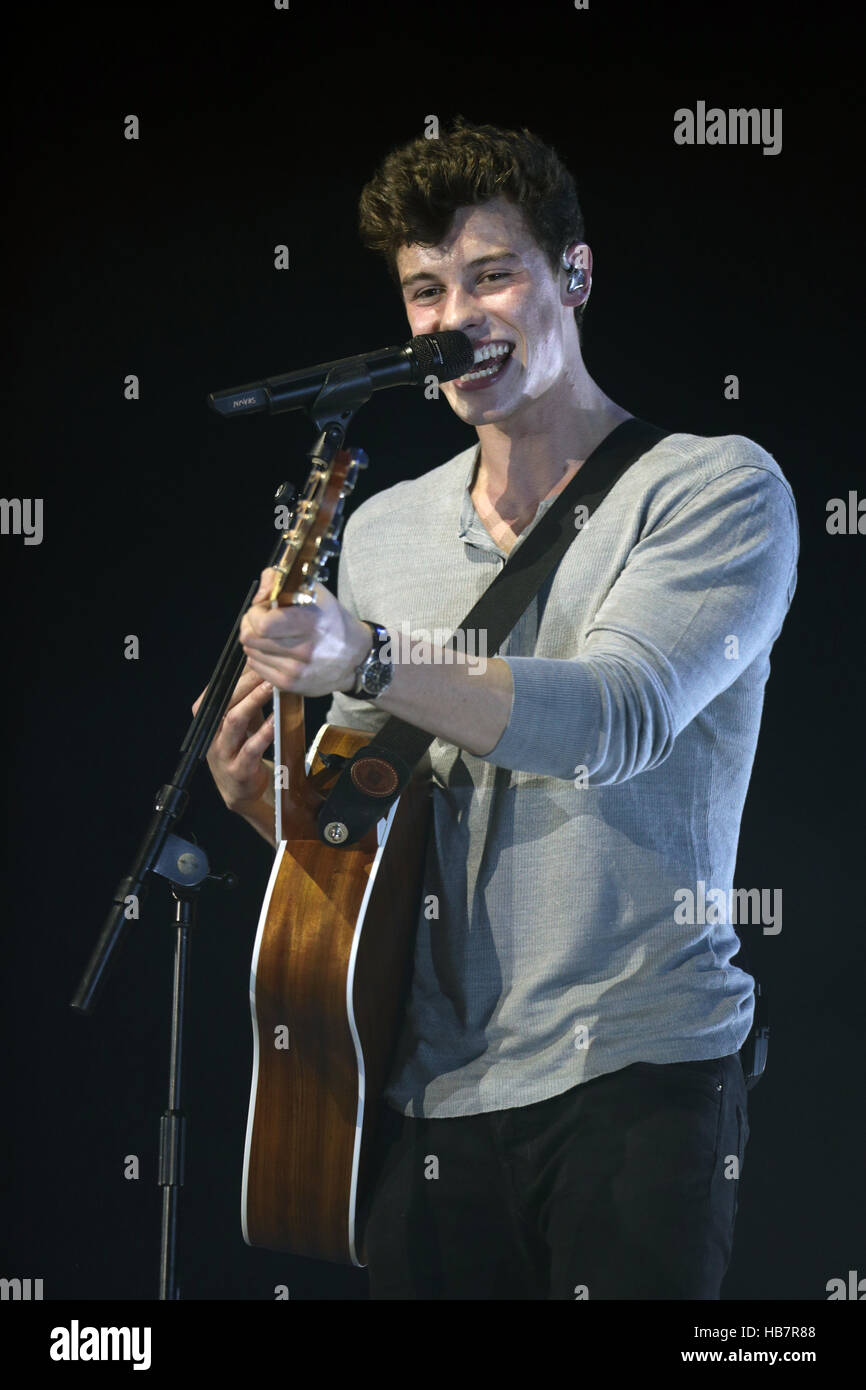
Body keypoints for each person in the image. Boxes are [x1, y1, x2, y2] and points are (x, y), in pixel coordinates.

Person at [195, 117, 799, 1299]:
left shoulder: (711, 487)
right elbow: (384, 823)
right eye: (423, 290)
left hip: (639, 1065)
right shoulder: (379, 533)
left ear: (572, 277)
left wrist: (362, 653)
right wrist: (275, 804)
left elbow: (615, 720)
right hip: (429, 1082)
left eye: (490, 274)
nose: (449, 317)